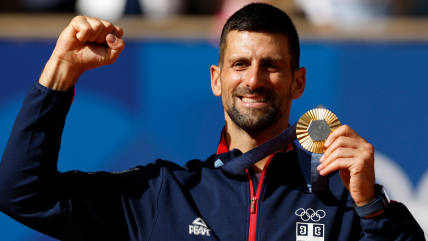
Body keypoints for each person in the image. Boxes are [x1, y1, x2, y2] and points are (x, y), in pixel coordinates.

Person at [0, 3, 424, 241]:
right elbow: (23, 194)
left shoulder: (341, 201)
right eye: (240, 64)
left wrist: (371, 206)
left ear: (298, 82)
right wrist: (59, 73)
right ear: (217, 80)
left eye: (271, 66)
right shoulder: (160, 196)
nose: (254, 79)